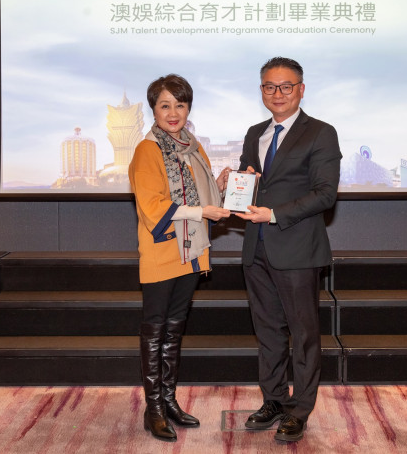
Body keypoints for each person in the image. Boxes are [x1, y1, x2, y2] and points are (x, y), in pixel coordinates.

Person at [235, 57, 342, 442]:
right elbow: (250, 183)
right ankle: (274, 400)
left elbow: (325, 194)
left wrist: (275, 214)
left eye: (286, 86)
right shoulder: (255, 133)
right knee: (268, 334)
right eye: (269, 86)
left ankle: (300, 409)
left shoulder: (321, 133)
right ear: (261, 90)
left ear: (301, 89)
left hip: (297, 250)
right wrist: (236, 183)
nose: (277, 93)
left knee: (303, 334)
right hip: (256, 249)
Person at [128, 74, 231, 442]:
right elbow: (153, 206)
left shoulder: (194, 146)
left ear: (189, 108)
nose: (173, 113)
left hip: (190, 251)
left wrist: (220, 187)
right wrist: (202, 209)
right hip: (162, 250)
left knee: (174, 328)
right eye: (165, 105)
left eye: (180, 105)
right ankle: (153, 409)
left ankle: (169, 400)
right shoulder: (147, 150)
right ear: (154, 110)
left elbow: (202, 197)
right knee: (155, 328)